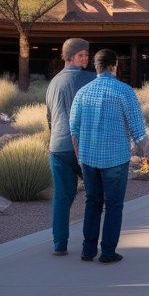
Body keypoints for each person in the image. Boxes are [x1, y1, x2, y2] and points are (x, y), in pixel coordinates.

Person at [69, 49, 149, 264]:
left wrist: (79, 157)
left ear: (95, 66)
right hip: (116, 158)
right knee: (114, 205)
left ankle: (88, 250)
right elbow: (138, 129)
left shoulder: (82, 93)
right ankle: (108, 252)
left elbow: (74, 129)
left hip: (88, 158)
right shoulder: (124, 91)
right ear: (114, 66)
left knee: (92, 202)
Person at [45, 38, 95, 256]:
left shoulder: (53, 82)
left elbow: (49, 117)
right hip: (83, 147)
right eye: (81, 55)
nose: (86, 58)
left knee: (62, 197)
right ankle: (90, 245)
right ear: (69, 56)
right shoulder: (90, 79)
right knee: (95, 196)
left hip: (57, 146)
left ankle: (59, 244)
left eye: (87, 54)